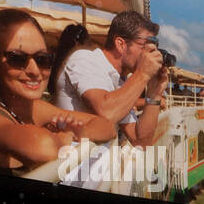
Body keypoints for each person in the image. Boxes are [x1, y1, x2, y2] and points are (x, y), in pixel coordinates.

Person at [0, 9, 115, 174]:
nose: (35, 71)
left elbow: (107, 127)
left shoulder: (35, 107)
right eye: (17, 58)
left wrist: (81, 132)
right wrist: (64, 137)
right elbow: (44, 147)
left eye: (42, 59)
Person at [53, 10, 167, 148]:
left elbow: (140, 141)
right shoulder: (85, 59)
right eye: (146, 45)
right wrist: (143, 74)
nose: (151, 52)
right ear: (121, 44)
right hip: (73, 166)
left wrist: (153, 94)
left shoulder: (120, 81)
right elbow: (107, 113)